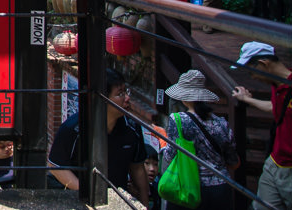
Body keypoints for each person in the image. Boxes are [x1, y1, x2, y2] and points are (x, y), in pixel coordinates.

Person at [48, 68, 149, 206]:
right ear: (103, 99)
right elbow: (56, 166)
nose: (127, 98)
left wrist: (144, 204)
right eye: (120, 94)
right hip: (77, 200)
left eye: (127, 92)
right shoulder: (73, 128)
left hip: (116, 201)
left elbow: (137, 168)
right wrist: (88, 193)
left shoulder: (132, 128)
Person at [161, 69, 240, 210]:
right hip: (220, 189)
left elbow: (169, 155)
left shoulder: (178, 121)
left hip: (189, 187)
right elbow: (233, 163)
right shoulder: (222, 123)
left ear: (184, 98)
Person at [231, 41, 292, 210]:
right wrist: (247, 99)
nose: (252, 77)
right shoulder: (276, 85)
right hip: (274, 162)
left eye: (251, 71)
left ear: (263, 63)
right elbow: (276, 108)